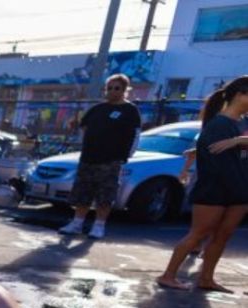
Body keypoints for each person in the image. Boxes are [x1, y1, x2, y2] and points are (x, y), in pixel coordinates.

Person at [157, 76, 248, 292]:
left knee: (222, 236)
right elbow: (217, 160)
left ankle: (207, 278)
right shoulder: (219, 124)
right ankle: (168, 275)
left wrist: (238, 142)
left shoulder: (240, 124)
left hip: (239, 189)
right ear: (240, 95)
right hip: (214, 189)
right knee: (199, 233)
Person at [57, 74, 142, 240]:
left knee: (105, 194)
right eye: (109, 88)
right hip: (89, 157)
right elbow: (84, 128)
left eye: (116, 88)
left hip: (111, 160)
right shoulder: (98, 109)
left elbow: (136, 134)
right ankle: (77, 223)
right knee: (83, 192)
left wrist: (126, 155)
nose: (112, 91)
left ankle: (99, 226)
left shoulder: (129, 110)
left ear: (125, 90)